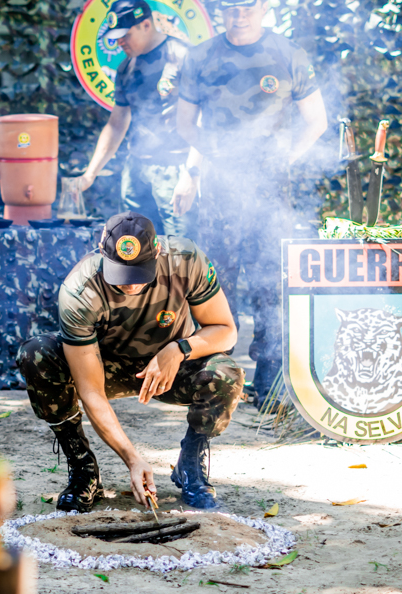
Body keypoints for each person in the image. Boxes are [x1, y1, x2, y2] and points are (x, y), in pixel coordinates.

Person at [16, 213, 244, 511]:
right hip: (104, 368)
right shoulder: (80, 290)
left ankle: (190, 461)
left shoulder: (186, 262)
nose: (130, 285)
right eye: (120, 273)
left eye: (140, 272)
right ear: (101, 249)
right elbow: (92, 391)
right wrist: (133, 460)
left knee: (226, 373)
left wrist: (179, 349)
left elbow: (226, 331)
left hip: (168, 369)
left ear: (158, 251)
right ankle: (83, 470)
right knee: (37, 355)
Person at [176, 0, 328, 408]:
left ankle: (271, 383)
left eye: (247, 5)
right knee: (216, 286)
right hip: (219, 194)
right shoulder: (200, 57)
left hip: (271, 192)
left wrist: (283, 161)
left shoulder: (288, 55)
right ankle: (215, 380)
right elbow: (184, 122)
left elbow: (318, 120)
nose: (238, 13)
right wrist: (214, 157)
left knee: (270, 285)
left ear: (264, 7)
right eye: (229, 6)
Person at [75, 0, 196, 237]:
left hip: (176, 169)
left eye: (125, 35)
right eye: (115, 36)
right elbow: (117, 123)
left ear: (146, 25)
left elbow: (202, 119)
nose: (119, 42)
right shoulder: (124, 68)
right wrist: (91, 172)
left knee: (182, 254)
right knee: (136, 252)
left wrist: (191, 175)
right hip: (137, 170)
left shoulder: (183, 57)